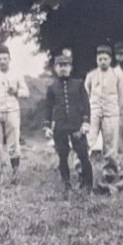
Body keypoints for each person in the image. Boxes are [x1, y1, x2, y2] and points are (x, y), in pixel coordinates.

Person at [43, 51, 92, 192]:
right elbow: (47, 108)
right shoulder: (52, 88)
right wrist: (47, 127)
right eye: (60, 65)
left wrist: (85, 123)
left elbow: (86, 105)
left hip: (77, 126)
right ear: (55, 68)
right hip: (60, 127)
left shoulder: (78, 84)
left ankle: (88, 185)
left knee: (83, 155)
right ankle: (66, 183)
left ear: (71, 68)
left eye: (66, 65)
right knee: (62, 156)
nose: (63, 68)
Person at [0, 45, 29, 183]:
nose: (2, 61)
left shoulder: (17, 75)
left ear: (10, 59)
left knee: (13, 144)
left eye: (5, 58)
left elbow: (26, 93)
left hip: (12, 112)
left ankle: (15, 174)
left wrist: (16, 92)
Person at [85, 44, 123, 171]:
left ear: (110, 59)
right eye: (100, 59)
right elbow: (86, 94)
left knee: (110, 144)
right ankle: (82, 171)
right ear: (96, 60)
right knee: (88, 139)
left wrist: (120, 111)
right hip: (94, 112)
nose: (102, 62)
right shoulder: (91, 75)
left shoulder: (117, 75)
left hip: (111, 113)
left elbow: (121, 95)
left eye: (105, 59)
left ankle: (110, 174)